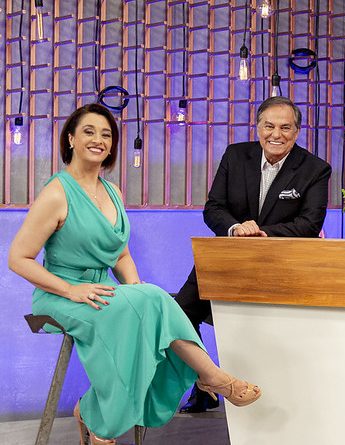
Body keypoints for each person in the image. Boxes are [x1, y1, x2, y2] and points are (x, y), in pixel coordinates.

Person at [7, 104, 261, 444]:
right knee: (153, 299)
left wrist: (136, 291)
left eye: (106, 134)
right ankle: (209, 377)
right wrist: (70, 290)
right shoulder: (56, 193)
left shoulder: (113, 192)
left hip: (101, 292)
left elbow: (121, 253)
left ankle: (100, 413)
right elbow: (18, 259)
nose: (98, 140)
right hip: (60, 296)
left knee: (151, 299)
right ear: (71, 139)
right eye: (89, 132)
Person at [176, 95, 332, 412]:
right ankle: (205, 381)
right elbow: (213, 209)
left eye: (285, 127)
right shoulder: (235, 156)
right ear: (258, 127)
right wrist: (236, 228)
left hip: (279, 265)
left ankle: (276, 395)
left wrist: (262, 233)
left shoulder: (315, 169)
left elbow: (310, 223)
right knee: (178, 315)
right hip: (225, 258)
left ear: (297, 131)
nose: (276, 134)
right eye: (269, 126)